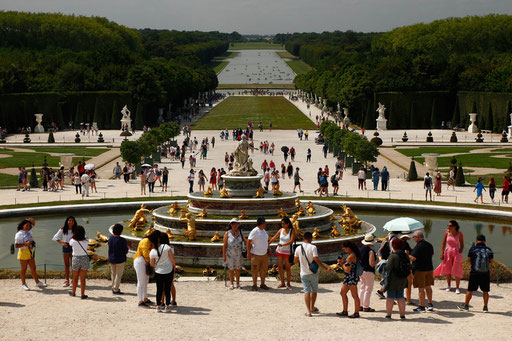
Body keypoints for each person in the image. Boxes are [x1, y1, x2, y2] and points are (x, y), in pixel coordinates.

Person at [294, 231, 331, 317]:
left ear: (303, 238)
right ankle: (312, 307)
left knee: (306, 291)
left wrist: (301, 260)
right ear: (311, 239)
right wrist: (325, 268)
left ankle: (308, 311)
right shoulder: (313, 247)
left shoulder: (298, 248)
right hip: (313, 272)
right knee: (314, 290)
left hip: (303, 273)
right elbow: (316, 259)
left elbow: (295, 261)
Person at [458, 235, 493, 312]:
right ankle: (485, 307)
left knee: (470, 290)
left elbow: (468, 260)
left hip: (474, 272)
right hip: (485, 273)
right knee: (485, 291)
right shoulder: (488, 249)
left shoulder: (473, 249)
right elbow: (491, 261)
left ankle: (466, 305)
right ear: (485, 241)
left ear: (477, 241)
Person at [15, 219, 46, 291]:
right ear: (23, 225)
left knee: (33, 268)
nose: (28, 227)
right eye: (27, 225)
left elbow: (33, 223)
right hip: (23, 252)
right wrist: (25, 244)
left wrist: (30, 220)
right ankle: (23, 284)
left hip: (30, 252)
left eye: (29, 226)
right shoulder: (19, 234)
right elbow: (16, 246)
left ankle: (37, 282)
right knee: (24, 269)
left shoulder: (29, 231)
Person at [434, 220, 464, 294]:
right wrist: (442, 253)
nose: (448, 227)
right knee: (448, 269)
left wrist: (460, 251)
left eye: (450, 226)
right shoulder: (447, 233)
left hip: (456, 253)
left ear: (455, 226)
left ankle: (457, 287)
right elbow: (443, 244)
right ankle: (449, 285)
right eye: (448, 225)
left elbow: (462, 244)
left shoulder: (459, 234)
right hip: (448, 252)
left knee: (457, 269)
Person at [150, 232, 176, 313]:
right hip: (168, 271)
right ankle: (167, 306)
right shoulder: (167, 247)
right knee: (167, 288)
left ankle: (158, 306)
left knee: (159, 289)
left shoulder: (153, 251)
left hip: (158, 271)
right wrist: (174, 268)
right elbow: (173, 261)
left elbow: (152, 264)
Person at [133, 230, 160, 307]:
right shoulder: (146, 241)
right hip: (140, 260)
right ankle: (140, 301)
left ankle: (145, 298)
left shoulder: (149, 241)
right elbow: (146, 254)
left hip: (145, 262)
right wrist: (155, 259)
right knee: (141, 281)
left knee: (145, 280)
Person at [409, 230, 435, 312]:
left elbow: (413, 257)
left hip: (420, 270)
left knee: (421, 288)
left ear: (418, 237)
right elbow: (432, 254)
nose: (413, 238)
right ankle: (430, 304)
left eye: (414, 237)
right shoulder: (429, 245)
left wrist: (407, 255)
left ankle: (421, 306)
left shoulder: (418, 246)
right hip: (429, 268)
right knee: (428, 286)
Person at [384, 238, 409, 319]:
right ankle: (402, 315)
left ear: (393, 245)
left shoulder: (393, 256)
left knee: (390, 297)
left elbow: (388, 267)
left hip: (393, 279)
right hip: (403, 278)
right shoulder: (405, 255)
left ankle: (389, 315)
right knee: (400, 297)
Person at [269, 217, 295, 290]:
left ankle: (288, 283)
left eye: (283, 224)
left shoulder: (292, 231)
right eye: (281, 223)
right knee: (280, 267)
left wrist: (282, 245)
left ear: (288, 224)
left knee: (287, 267)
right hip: (280, 250)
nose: (282, 225)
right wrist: (268, 243)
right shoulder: (281, 230)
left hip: (287, 251)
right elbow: (274, 237)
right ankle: (282, 282)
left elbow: (291, 241)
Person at [336, 241, 361, 318]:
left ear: (348, 248)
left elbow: (347, 269)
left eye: (344, 248)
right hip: (350, 278)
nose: (344, 249)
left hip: (350, 278)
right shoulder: (353, 255)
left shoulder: (350, 257)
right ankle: (345, 311)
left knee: (354, 296)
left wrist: (341, 263)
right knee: (343, 293)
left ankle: (356, 312)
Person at [52, 216, 78, 287]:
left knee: (73, 264)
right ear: (67, 221)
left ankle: (73, 280)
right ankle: (67, 280)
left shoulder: (76, 229)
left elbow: (80, 236)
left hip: (73, 247)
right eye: (69, 220)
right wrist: (61, 243)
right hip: (65, 246)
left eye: (72, 221)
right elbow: (56, 237)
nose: (71, 222)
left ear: (74, 222)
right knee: (66, 265)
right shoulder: (63, 228)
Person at [247, 217, 269, 291]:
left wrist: (269, 249)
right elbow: (248, 241)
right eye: (264, 223)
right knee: (255, 270)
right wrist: (248, 252)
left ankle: (262, 284)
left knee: (263, 270)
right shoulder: (255, 231)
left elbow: (266, 241)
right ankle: (254, 284)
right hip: (256, 254)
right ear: (261, 223)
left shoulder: (264, 231)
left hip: (264, 254)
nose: (265, 224)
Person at [68, 225, 90, 299]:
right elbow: (85, 236)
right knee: (83, 279)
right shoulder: (86, 240)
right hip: (84, 259)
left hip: (76, 259)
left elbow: (70, 243)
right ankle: (82, 294)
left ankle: (73, 292)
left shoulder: (72, 241)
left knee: (75, 278)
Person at [223, 218, 244, 290]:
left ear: (238, 225)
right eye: (233, 224)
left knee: (238, 269)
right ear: (231, 225)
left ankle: (238, 283)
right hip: (230, 254)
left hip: (238, 254)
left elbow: (245, 240)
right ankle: (231, 284)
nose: (235, 225)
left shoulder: (241, 232)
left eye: (236, 224)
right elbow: (225, 245)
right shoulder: (227, 233)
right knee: (231, 269)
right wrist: (224, 255)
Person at [108, 223, 128, 295]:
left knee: (113, 273)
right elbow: (125, 250)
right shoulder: (122, 240)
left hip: (111, 258)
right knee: (118, 275)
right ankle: (116, 289)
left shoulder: (110, 238)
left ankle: (113, 286)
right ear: (121, 231)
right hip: (120, 259)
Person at [359, 234, 377, 312]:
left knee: (362, 288)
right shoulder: (370, 251)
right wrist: (377, 261)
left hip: (361, 271)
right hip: (368, 271)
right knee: (368, 289)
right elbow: (371, 264)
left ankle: (360, 305)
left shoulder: (360, 249)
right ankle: (366, 306)